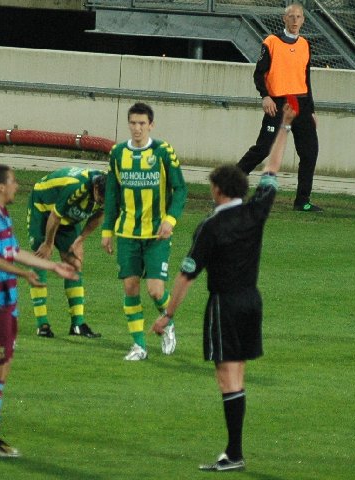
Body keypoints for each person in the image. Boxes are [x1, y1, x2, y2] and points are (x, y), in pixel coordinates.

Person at [150, 103, 297, 472]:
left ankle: (234, 453)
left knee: (225, 376)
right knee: (239, 374)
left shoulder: (210, 227)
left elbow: (186, 276)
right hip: (252, 301)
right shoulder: (256, 211)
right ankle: (234, 452)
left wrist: (167, 316)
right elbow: (273, 168)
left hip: (225, 306)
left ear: (217, 191)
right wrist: (285, 128)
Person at [0, 164, 77, 457]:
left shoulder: (2, 215)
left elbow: (14, 251)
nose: (17, 186)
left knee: (2, 368)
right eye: (14, 182)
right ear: (1, 187)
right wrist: (24, 274)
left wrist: (50, 265)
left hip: (5, 301)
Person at [101, 102, 188, 360]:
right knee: (130, 288)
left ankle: (168, 323)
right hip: (127, 233)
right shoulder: (117, 154)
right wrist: (107, 231)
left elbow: (180, 189)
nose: (137, 128)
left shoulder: (163, 152)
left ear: (151, 125)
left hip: (156, 235)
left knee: (155, 291)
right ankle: (139, 346)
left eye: (142, 123)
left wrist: (170, 220)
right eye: (133, 123)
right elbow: (112, 194)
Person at [236, 2, 321, 212]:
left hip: (300, 103)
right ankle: (229, 186)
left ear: (303, 20)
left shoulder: (305, 45)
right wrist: (265, 96)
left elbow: (306, 79)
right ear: (284, 19)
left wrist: (311, 110)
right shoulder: (271, 42)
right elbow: (259, 73)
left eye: (298, 17)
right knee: (263, 149)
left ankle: (302, 201)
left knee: (309, 153)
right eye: (291, 16)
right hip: (278, 103)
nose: (294, 21)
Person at [27, 167, 106, 339]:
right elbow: (55, 216)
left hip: (67, 216)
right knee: (42, 259)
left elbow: (99, 215)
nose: (102, 203)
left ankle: (77, 324)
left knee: (74, 263)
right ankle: (42, 325)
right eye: (100, 199)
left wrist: (80, 240)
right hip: (44, 207)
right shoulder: (75, 187)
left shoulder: (112, 192)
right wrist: (48, 244)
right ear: (95, 189)